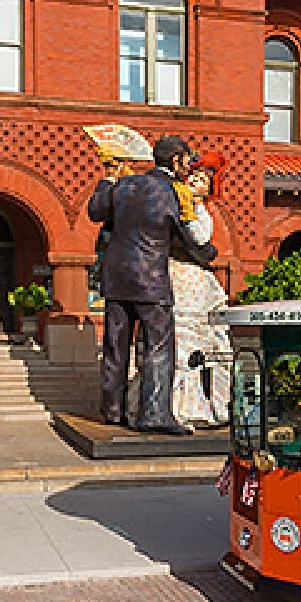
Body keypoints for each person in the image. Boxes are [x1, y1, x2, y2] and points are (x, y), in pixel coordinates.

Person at [89, 134, 216, 434]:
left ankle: (113, 411)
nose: (189, 165)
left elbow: (96, 212)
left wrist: (108, 178)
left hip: (117, 280)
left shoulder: (124, 185)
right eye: (187, 159)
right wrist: (209, 254)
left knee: (115, 347)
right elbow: (189, 237)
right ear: (175, 160)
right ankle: (155, 414)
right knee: (159, 345)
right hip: (151, 281)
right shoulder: (174, 191)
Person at [166, 151, 234, 427]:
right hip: (177, 280)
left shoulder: (200, 211)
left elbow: (201, 237)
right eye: (193, 177)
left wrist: (191, 210)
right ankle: (175, 408)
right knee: (179, 344)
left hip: (195, 283)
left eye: (203, 179)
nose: (197, 182)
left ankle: (206, 406)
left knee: (203, 345)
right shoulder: (175, 207)